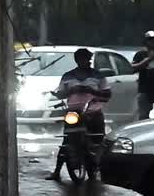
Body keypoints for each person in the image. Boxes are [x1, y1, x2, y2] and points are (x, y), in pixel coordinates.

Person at [46, 48, 110, 180]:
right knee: (67, 140)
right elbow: (61, 94)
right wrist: (71, 91)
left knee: (98, 141)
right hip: (73, 112)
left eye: (86, 59)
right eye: (81, 59)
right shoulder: (67, 76)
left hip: (93, 111)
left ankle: (100, 168)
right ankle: (57, 171)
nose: (84, 62)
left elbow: (107, 94)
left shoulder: (98, 76)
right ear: (77, 60)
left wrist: (92, 91)